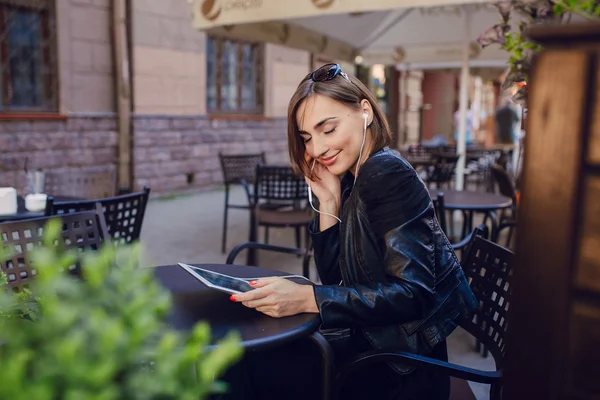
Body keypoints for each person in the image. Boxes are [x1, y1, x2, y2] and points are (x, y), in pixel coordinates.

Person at [230, 64, 477, 400]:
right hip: (376, 346)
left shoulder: (386, 173)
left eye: (327, 129)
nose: (316, 149)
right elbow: (337, 277)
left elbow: (413, 293)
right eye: (307, 138)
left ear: (364, 111)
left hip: (399, 368)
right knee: (250, 362)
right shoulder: (354, 177)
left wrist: (308, 298)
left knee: (243, 368)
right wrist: (329, 201)